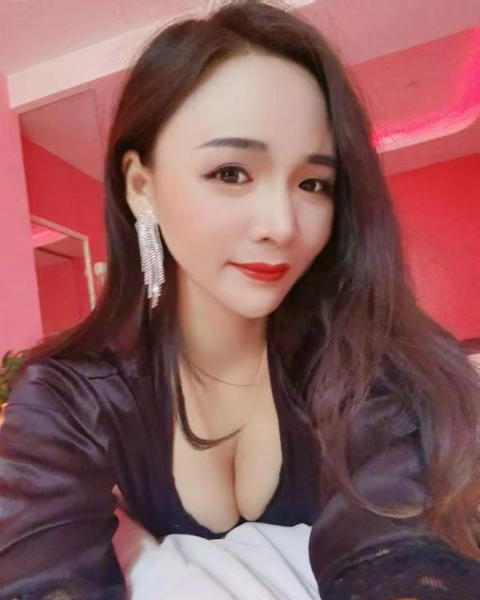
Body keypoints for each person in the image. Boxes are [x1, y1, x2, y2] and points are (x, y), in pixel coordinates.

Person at [0, 1, 479, 598]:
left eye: (313, 183)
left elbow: (402, 555)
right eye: (231, 172)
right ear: (141, 186)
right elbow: (39, 573)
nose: (282, 224)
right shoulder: (69, 392)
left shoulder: (365, 360)